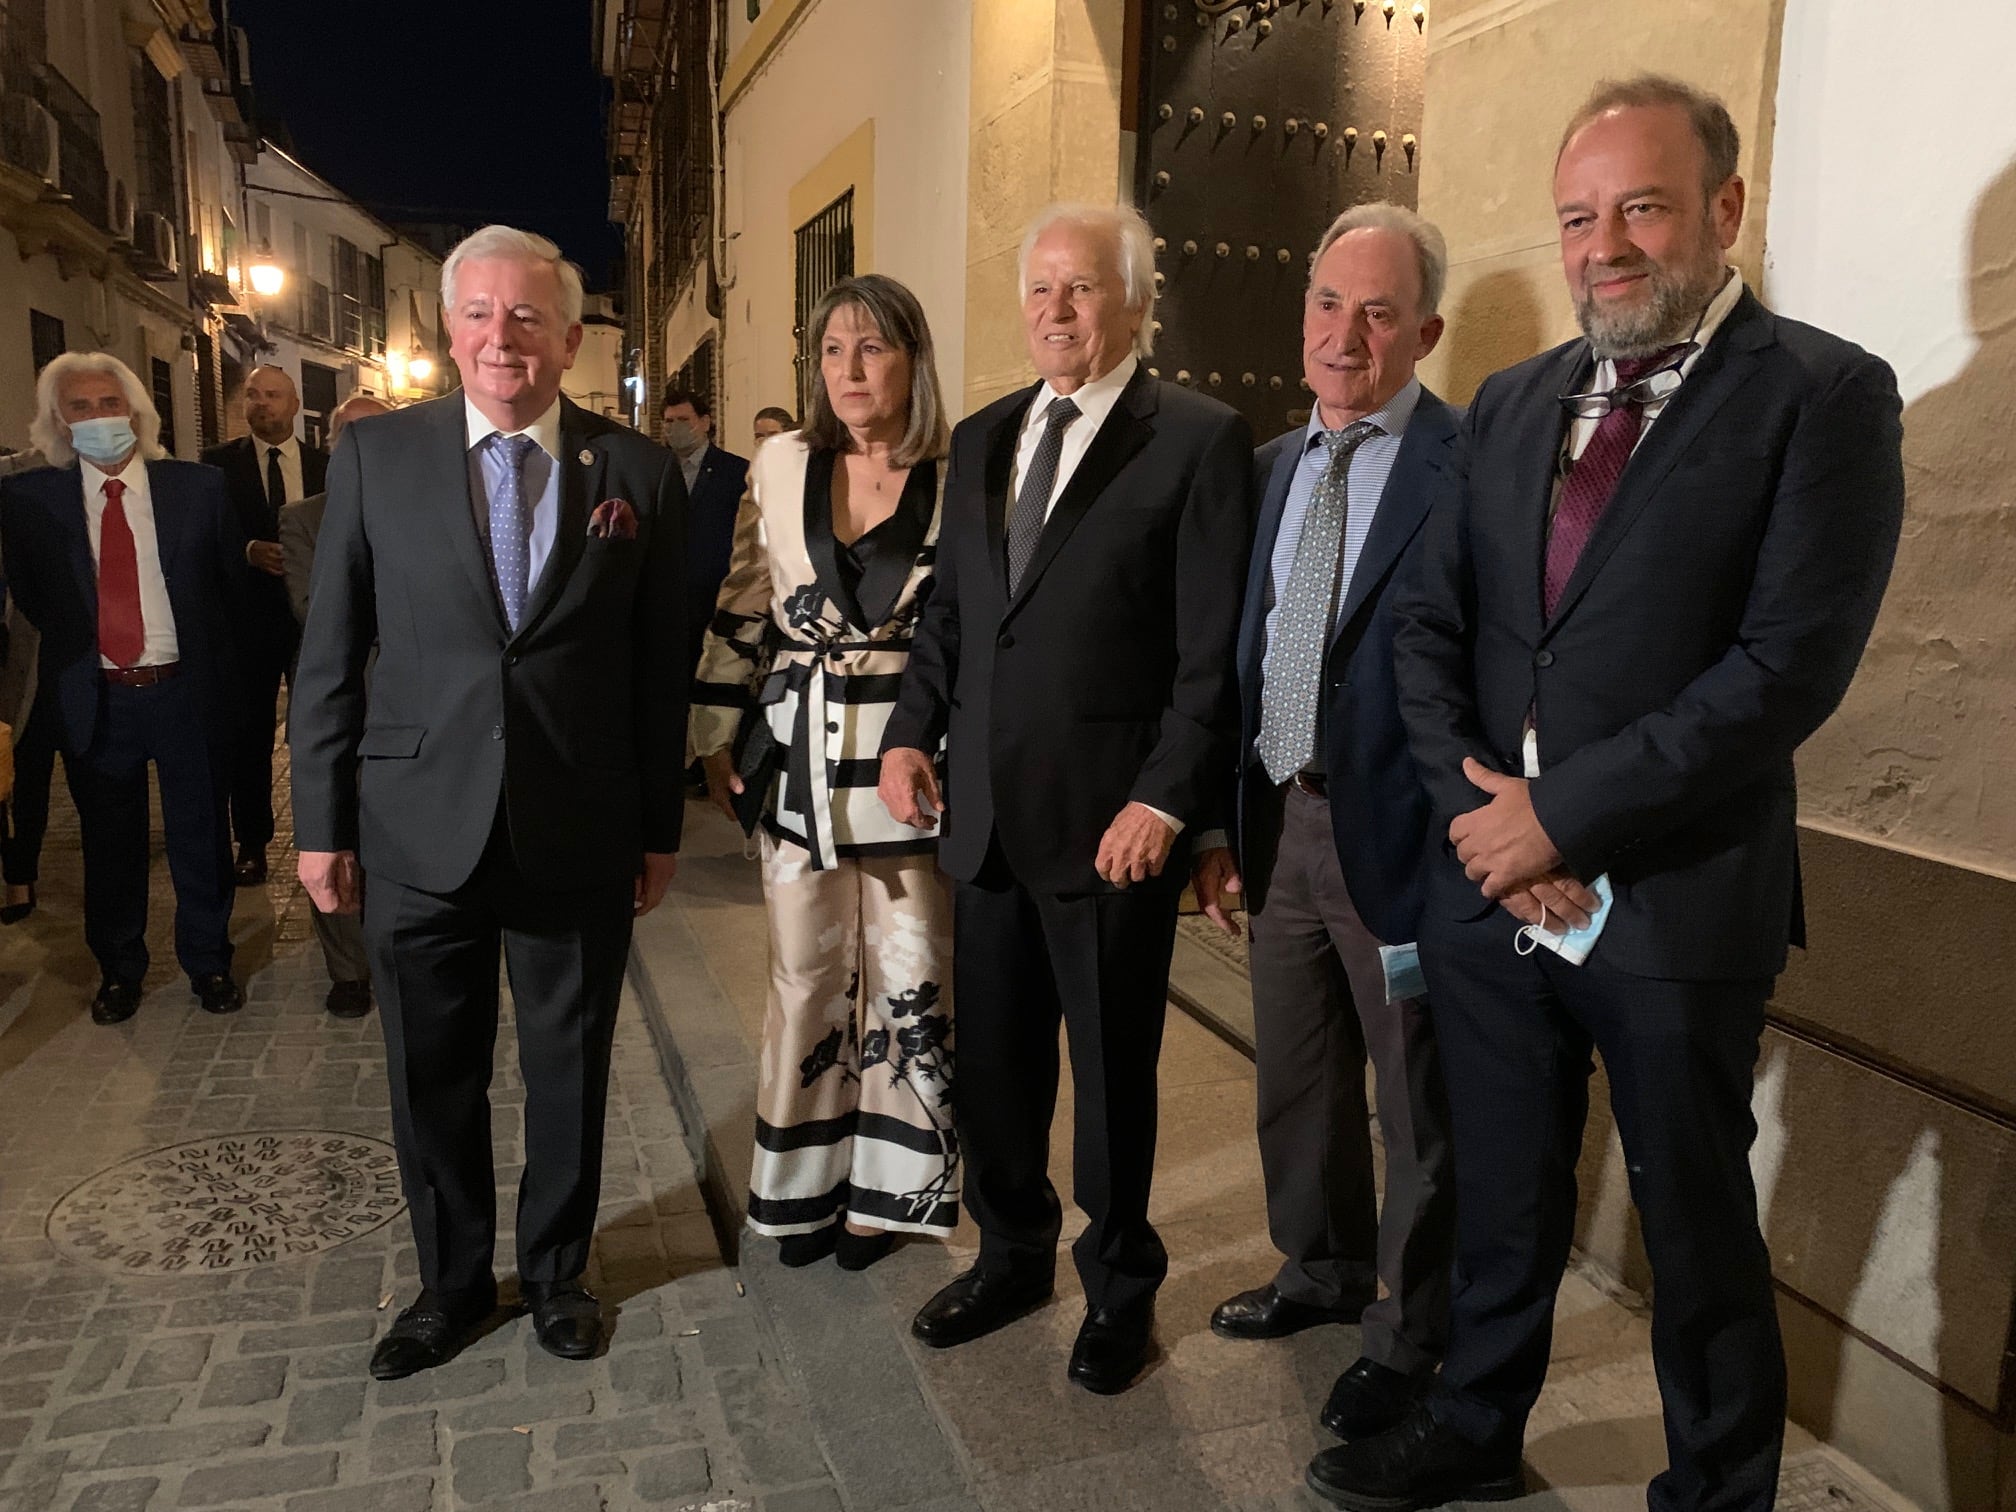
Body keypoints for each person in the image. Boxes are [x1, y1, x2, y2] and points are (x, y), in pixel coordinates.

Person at [1308, 76, 1906, 1512]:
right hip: (1489, 884)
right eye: (1580, 217)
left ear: (1724, 208)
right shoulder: (1512, 405)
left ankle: (1716, 1486)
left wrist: (1562, 816)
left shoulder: (1824, 396)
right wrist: (1487, 818)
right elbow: (1424, 631)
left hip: (1676, 901)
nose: (1606, 246)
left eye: (1642, 207)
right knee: (1502, 1193)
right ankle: (1476, 1424)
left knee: (1694, 1225)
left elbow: (1781, 671)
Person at [290, 225, 688, 1381]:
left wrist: (659, 827)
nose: (501, 338)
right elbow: (331, 655)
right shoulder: (379, 461)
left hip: (578, 820)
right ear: (448, 330)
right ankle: (451, 1285)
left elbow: (657, 673)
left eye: (526, 317)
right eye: (479, 315)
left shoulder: (637, 473)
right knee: (432, 1072)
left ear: (570, 337)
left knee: (569, 1064)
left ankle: (559, 1274)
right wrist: (322, 827)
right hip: (416, 825)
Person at [879, 202, 1254, 1394]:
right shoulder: (985, 436)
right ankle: (1012, 1253)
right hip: (984, 819)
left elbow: (1211, 655)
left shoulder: (1196, 440)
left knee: (1111, 1081)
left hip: (1110, 837)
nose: (1056, 310)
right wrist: (906, 731)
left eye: (1083, 290)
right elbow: (951, 618)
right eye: (1041, 290)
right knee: (996, 1071)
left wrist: (1165, 801)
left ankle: (1120, 1288)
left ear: (1139, 302)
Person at [1191, 203, 1457, 1438]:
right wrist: (1212, 825)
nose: (1345, 335)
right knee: (1293, 1078)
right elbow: (1229, 656)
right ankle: (1321, 1268)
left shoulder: (1465, 467)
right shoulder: (1266, 469)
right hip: (1278, 815)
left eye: (1379, 310)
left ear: (1427, 332)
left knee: (1415, 1101)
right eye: (1326, 304)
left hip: (1400, 838)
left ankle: (1410, 1335)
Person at [691, 274, 956, 1271]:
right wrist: (714, 739)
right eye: (835, 349)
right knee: (804, 977)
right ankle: (800, 1186)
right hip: (798, 761)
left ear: (911, 358)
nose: (851, 369)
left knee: (911, 976)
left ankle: (891, 1194)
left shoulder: (958, 465)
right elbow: (744, 601)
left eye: (874, 347)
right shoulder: (782, 460)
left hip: (911, 764)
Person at [0, 354, 245, 1023]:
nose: (100, 417)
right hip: (98, 696)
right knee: (111, 845)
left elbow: (230, 595)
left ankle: (209, 960)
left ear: (136, 412)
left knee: (200, 834)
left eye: (111, 402)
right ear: (58, 420)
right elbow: (35, 600)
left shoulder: (198, 488)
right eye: (81, 407)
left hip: (185, 691)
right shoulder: (28, 502)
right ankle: (119, 968)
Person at [278, 394, 391, 1019]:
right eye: (352, 434)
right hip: (343, 701)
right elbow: (312, 607)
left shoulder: (425, 508)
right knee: (332, 830)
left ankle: (397, 949)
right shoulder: (303, 518)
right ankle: (348, 970)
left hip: (409, 706)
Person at [201, 365, 328, 887]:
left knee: (319, 734)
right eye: (253, 395)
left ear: (294, 404)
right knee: (248, 735)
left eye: (272, 395)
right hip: (247, 622)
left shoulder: (329, 464)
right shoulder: (216, 467)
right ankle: (252, 841)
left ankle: (323, 835)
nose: (261, 404)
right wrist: (246, 551)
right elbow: (201, 540)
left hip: (313, 622)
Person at [662, 386, 750, 682]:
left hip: (715, 597)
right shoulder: (656, 470)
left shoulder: (735, 472)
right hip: (669, 602)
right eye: (669, 421)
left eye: (683, 420)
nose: (675, 429)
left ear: (705, 422)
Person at [0, 443, 53, 925]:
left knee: (26, 777)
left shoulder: (17, 492)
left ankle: (21, 876)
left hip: (27, 667)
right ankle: (17, 876)